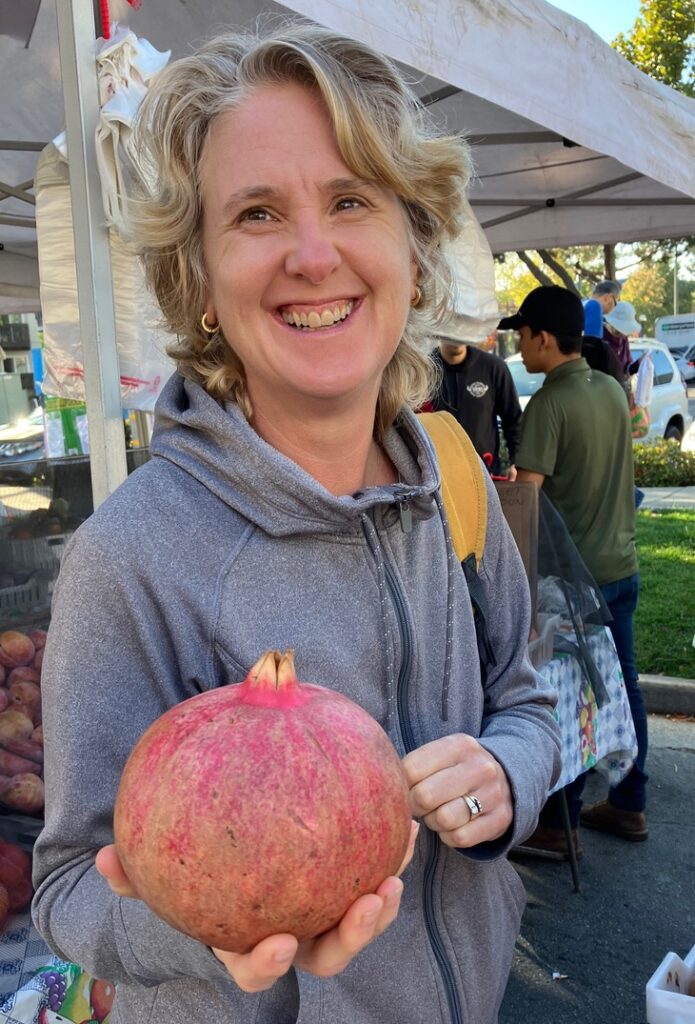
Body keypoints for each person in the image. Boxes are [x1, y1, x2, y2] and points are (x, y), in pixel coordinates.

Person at [31, 24, 561, 1024]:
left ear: (412, 239)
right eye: (257, 212)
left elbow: (526, 701)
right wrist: (211, 915)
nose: (313, 255)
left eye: (350, 200)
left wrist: (505, 774)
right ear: (200, 273)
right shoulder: (133, 557)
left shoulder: (454, 474)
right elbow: (66, 889)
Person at [502, 286, 647, 853]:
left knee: (566, 693)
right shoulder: (610, 387)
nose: (519, 345)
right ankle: (630, 803)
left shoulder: (549, 405)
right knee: (621, 685)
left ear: (542, 338)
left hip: (574, 584)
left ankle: (560, 825)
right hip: (622, 564)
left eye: (522, 334)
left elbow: (524, 502)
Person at [431, 327, 522, 478]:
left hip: (485, 475)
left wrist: (516, 463)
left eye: (463, 325)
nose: (457, 332)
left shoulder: (493, 367)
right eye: (452, 325)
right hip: (438, 479)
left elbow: (514, 420)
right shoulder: (423, 370)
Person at [591, 280, 632, 373]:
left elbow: (626, 367)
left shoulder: (622, 338)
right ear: (607, 298)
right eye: (616, 302)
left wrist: (638, 365)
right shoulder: (588, 322)